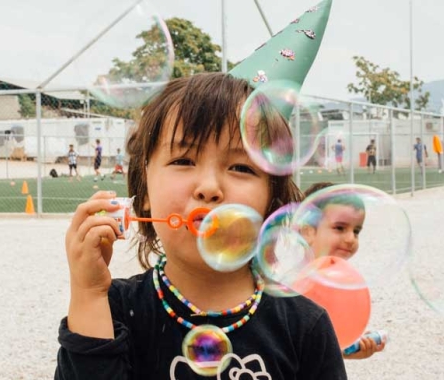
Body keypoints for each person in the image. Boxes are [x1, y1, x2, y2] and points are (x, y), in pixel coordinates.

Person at [55, 2, 345, 378]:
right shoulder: (111, 307)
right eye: (183, 161)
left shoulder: (304, 327)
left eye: (241, 167)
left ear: (273, 204)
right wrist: (87, 291)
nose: (209, 188)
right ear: (142, 192)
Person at [302, 182, 386, 360]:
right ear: (307, 232)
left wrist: (348, 347)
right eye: (340, 228)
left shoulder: (340, 283)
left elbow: (323, 343)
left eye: (356, 231)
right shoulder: (297, 286)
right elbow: (296, 348)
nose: (350, 239)